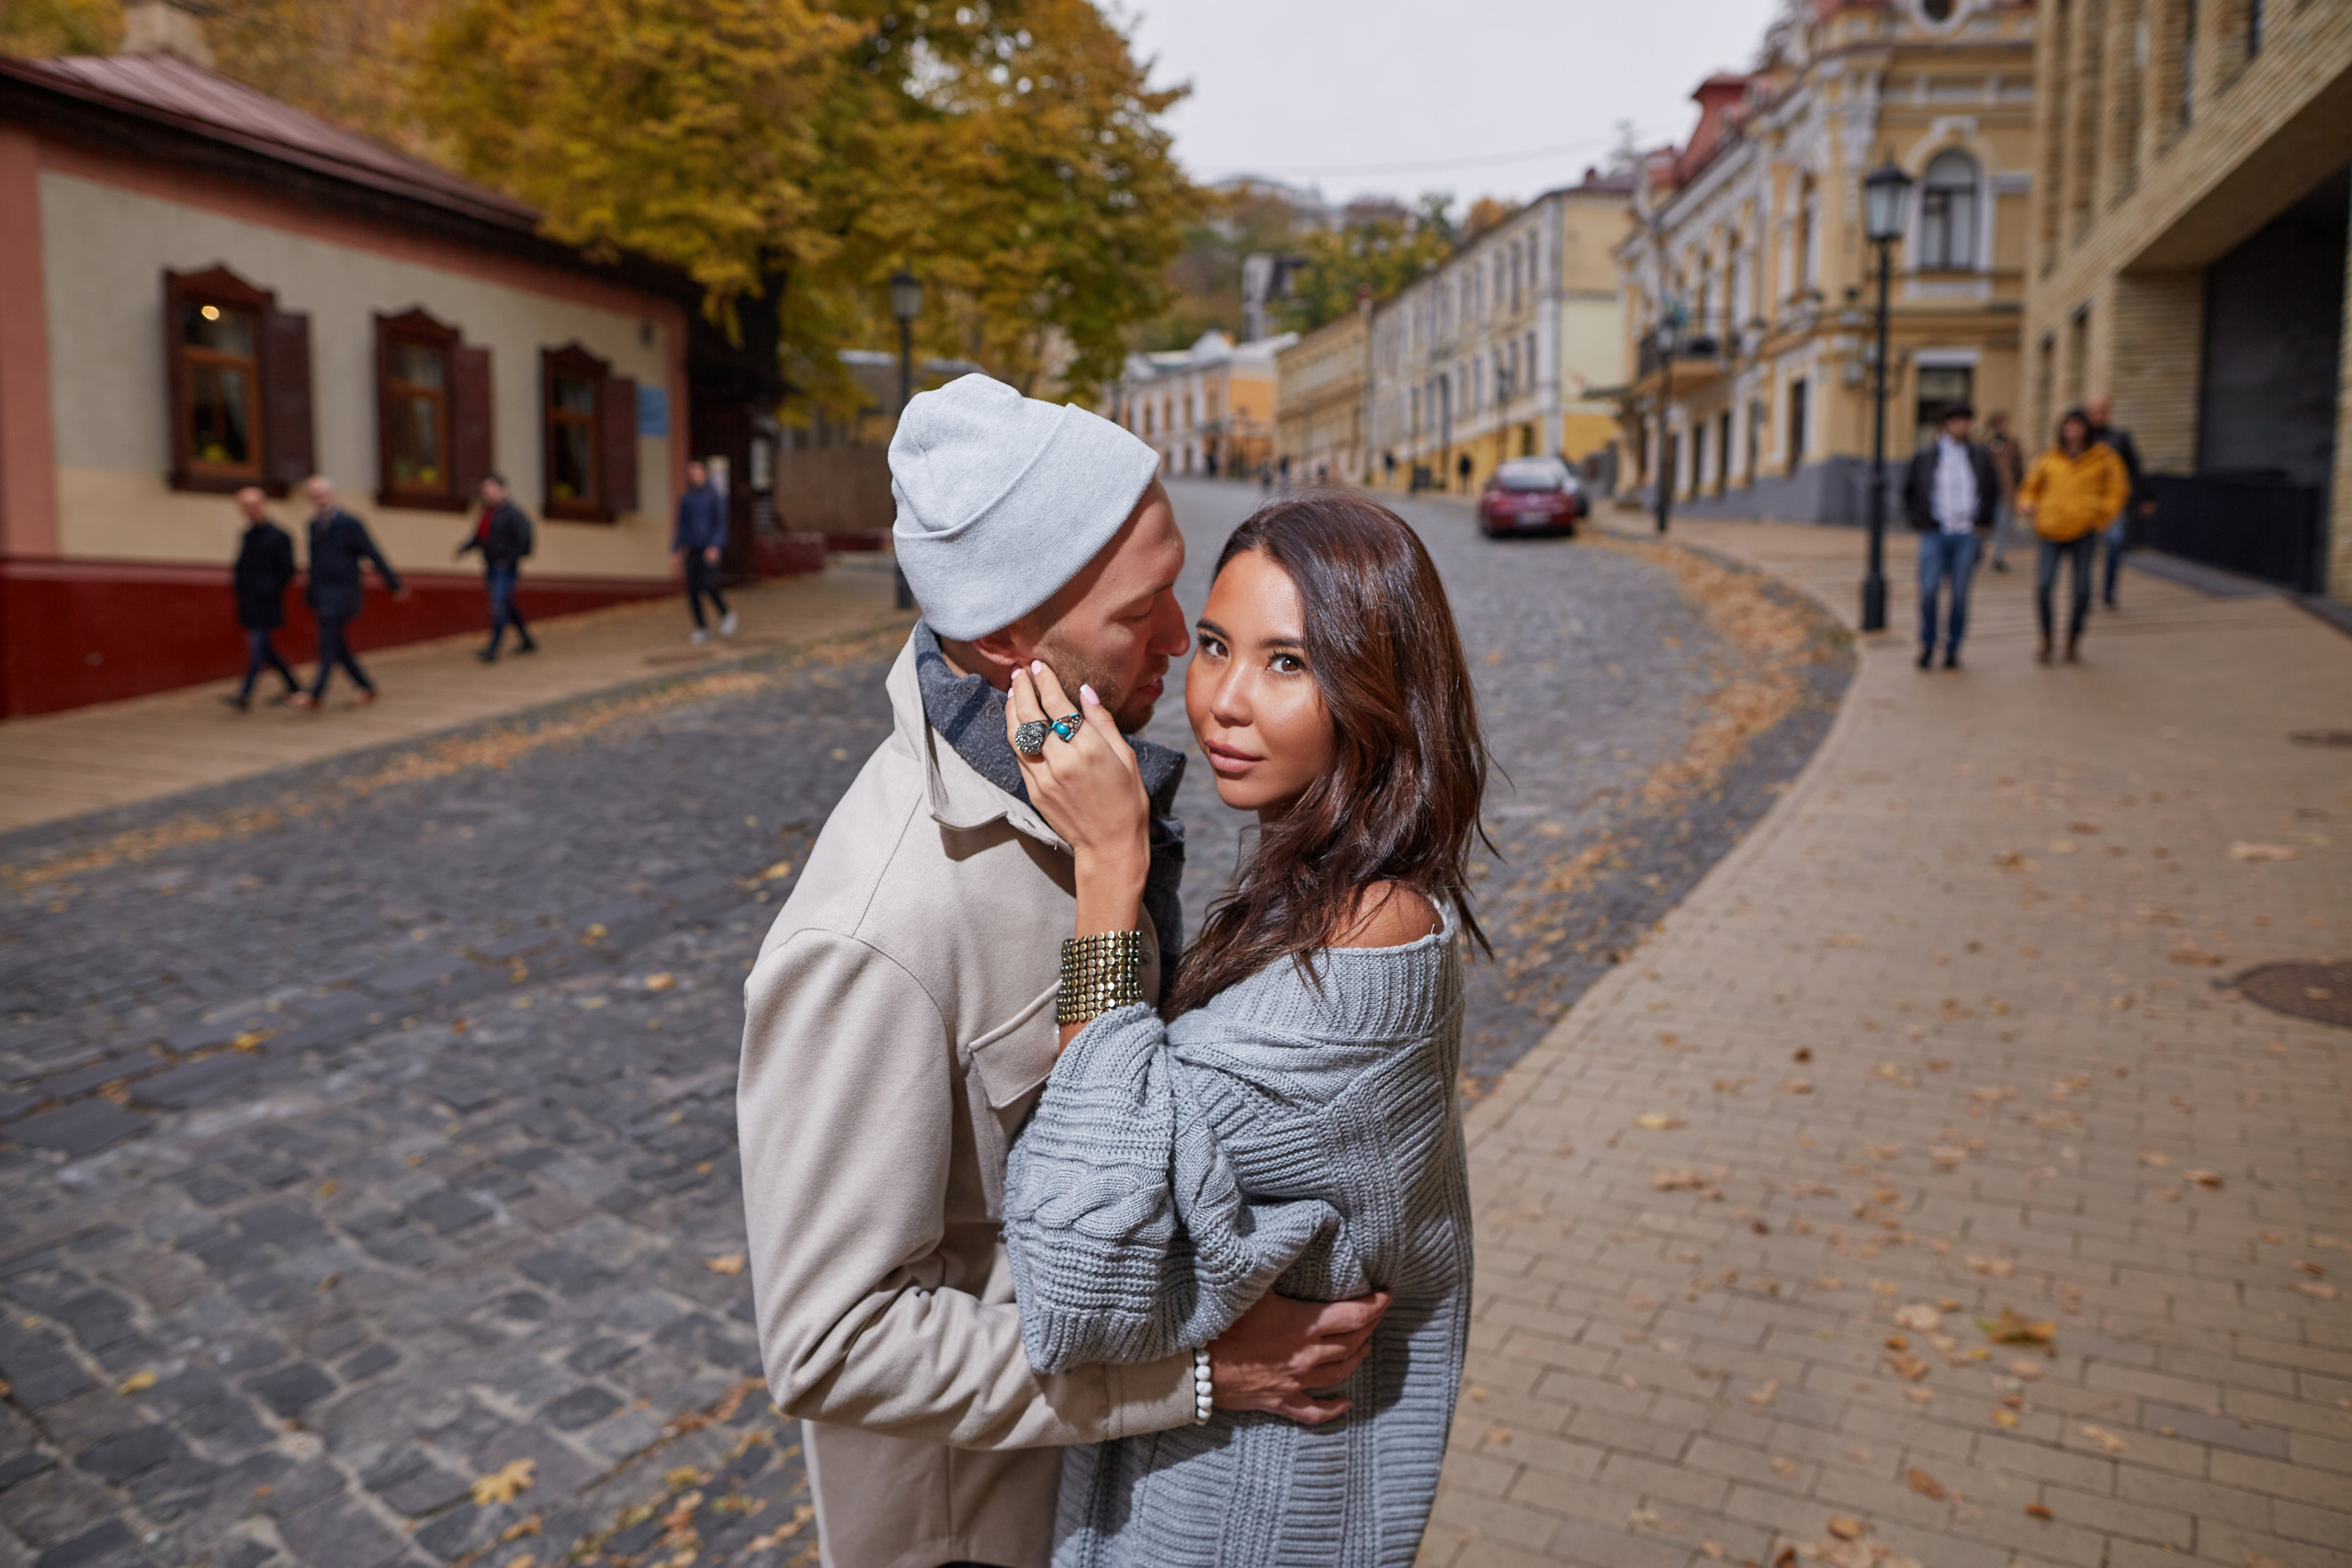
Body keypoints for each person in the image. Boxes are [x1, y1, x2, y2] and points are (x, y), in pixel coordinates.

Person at [737, 374, 1391, 1568]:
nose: (1178, 637)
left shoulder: (1087, 807)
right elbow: (830, 1343)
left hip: (1112, 1507)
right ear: (1005, 640)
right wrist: (1194, 1371)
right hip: (987, 1531)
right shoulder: (876, 933)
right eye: (1142, 610)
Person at [1000, 491, 1483, 1567]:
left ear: (1379, 690)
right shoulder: (1335, 889)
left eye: (1286, 664)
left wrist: (1109, 870)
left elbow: (1079, 1266)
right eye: (1215, 646)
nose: (1220, 699)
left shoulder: (1361, 959)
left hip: (1234, 1524)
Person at [2016, 408, 2130, 665]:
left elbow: (2118, 488)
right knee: (2044, 585)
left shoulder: (2103, 457)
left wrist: (2102, 515)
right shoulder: (2049, 457)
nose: (2072, 432)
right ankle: (2046, 637)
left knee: (2081, 590)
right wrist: (2027, 504)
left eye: (2077, 426)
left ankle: (2073, 638)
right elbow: (2029, 488)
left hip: (2084, 531)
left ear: (2086, 429)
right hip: (2050, 530)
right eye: (2067, 426)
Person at [1899, 401, 2000, 671]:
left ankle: (1953, 647)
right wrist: (1920, 522)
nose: (1962, 426)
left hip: (1966, 534)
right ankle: (1928, 643)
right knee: (1929, 590)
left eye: (1966, 420)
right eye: (1957, 420)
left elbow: (1991, 489)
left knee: (1959, 594)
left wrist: (1983, 523)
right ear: (1945, 425)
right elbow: (1909, 491)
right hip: (1935, 533)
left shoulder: (1978, 454)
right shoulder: (1926, 455)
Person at [289, 477, 404, 710]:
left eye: (322, 494)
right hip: (323, 592)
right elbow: (315, 562)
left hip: (343, 591)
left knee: (328, 643)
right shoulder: (314, 525)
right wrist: (310, 591)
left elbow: (372, 552)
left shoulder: (349, 523)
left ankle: (315, 695)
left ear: (332, 495)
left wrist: (393, 583)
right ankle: (366, 686)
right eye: (314, 496)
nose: (319, 499)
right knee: (337, 645)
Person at [225, 486, 300, 710]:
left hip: (267, 601)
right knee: (265, 649)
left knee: (257, 649)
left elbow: (287, 570)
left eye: (252, 505)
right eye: (244, 507)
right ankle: (294, 686)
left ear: (262, 505)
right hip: (249, 600)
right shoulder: (247, 536)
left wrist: (269, 589)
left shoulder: (279, 536)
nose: (249, 511)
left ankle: (245, 694)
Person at [455, 473, 537, 661]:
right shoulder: (487, 513)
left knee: (498, 604)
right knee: (507, 604)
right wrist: (465, 548)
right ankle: (526, 640)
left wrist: (509, 558)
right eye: (485, 491)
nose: (487, 495)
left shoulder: (514, 514)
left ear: (502, 490)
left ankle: (493, 648)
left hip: (505, 567)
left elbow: (526, 542)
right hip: (491, 566)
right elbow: (480, 537)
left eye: (490, 490)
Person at [2085, 395, 2153, 609]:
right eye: (2094, 412)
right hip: (2086, 504)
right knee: (2086, 549)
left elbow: (2135, 469)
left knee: (2114, 546)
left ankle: (2109, 591)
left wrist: (2146, 496)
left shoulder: (2120, 438)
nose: (2098, 416)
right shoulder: (2081, 439)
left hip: (2113, 504)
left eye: (2102, 411)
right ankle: (2083, 593)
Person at [673, 460, 735, 645]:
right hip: (692, 548)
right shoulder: (686, 498)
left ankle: (726, 613)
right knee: (692, 589)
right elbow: (681, 526)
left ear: (704, 473)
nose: (694, 476)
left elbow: (720, 524)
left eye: (697, 472)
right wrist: (676, 549)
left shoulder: (715, 497)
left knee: (710, 584)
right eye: (690, 473)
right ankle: (701, 627)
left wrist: (715, 545)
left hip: (709, 548)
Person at [1983, 410, 2026, 572]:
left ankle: (1998, 556)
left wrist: (2019, 486)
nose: (2001, 426)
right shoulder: (1984, 442)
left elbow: (2018, 467)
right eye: (1997, 423)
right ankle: (1979, 551)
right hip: (1986, 491)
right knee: (1983, 524)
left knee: (2004, 523)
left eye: (2003, 422)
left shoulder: (2012, 442)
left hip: (2006, 490)